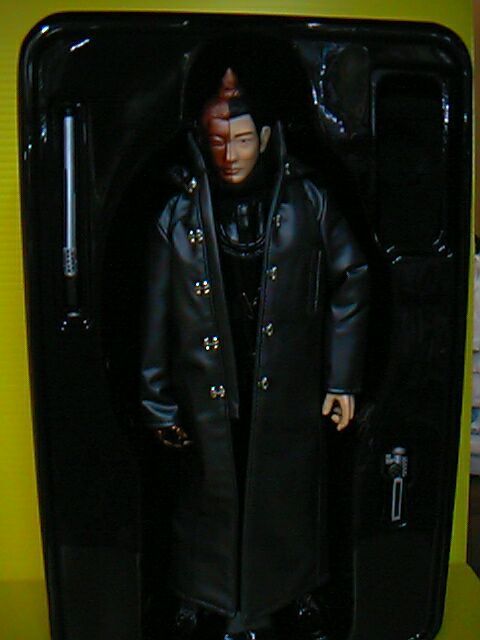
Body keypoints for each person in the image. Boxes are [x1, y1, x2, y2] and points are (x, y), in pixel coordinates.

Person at [140, 68, 369, 640]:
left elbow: (352, 277)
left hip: (287, 386)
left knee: (286, 497)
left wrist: (341, 379)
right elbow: (154, 313)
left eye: (241, 139)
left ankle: (292, 592)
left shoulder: (307, 201)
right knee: (207, 496)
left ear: (264, 138)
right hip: (206, 388)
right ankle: (201, 595)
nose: (230, 154)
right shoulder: (178, 215)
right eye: (218, 140)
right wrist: (158, 400)